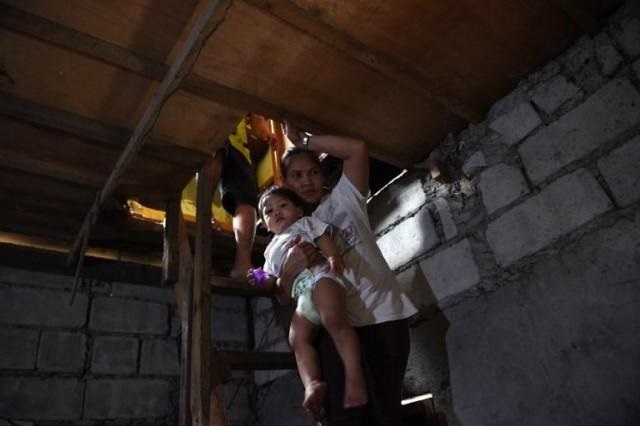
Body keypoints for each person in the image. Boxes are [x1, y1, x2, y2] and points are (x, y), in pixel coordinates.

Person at [275, 124, 418, 425]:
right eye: (296, 176)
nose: (307, 181)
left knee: (387, 413)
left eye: (313, 172)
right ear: (286, 182)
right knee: (347, 418)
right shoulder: (287, 231)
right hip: (336, 329)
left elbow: (357, 149)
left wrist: (304, 140)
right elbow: (285, 295)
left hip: (382, 315)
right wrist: (289, 272)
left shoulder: (344, 198)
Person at [249, 186, 368, 416]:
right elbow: (271, 281)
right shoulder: (270, 251)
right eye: (269, 211)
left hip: (321, 276)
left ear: (298, 209)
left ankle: (355, 377)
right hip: (302, 295)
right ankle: (312, 383)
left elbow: (322, 238)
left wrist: (333, 255)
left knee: (334, 319)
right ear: (264, 224)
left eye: (283, 205)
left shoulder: (305, 224)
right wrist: (256, 277)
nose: (276, 212)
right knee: (297, 339)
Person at [213, 113, 275, 279]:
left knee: (245, 200)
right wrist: (263, 129)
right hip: (234, 143)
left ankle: (242, 264)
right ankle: (242, 264)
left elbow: (257, 119)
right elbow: (257, 121)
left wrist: (262, 127)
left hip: (204, 131)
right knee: (245, 199)